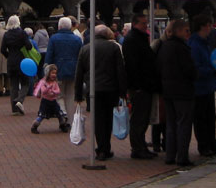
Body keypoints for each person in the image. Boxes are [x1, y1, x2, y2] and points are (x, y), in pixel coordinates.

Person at [74, 24, 128, 162]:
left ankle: (101, 148)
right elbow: (120, 70)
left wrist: (78, 94)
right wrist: (123, 91)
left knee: (98, 119)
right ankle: (105, 147)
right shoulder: (114, 48)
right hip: (111, 89)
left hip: (93, 90)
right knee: (108, 118)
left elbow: (79, 73)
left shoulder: (85, 49)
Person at [156, 18, 196, 169]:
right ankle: (182, 157)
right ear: (179, 31)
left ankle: (170, 155)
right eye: (186, 30)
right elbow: (189, 69)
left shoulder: (164, 46)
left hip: (168, 90)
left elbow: (158, 68)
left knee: (171, 124)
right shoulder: (182, 48)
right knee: (184, 124)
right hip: (183, 91)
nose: (188, 34)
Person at [121, 13, 159, 159]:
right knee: (139, 117)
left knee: (143, 117)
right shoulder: (132, 40)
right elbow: (132, 65)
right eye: (143, 23)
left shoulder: (137, 38)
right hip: (140, 85)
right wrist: (137, 85)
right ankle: (137, 147)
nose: (146, 26)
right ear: (136, 23)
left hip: (144, 84)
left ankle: (141, 145)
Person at [188, 14, 216, 158]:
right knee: (201, 118)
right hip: (199, 87)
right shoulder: (195, 44)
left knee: (210, 118)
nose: (210, 28)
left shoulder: (205, 42)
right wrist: (212, 71)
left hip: (208, 85)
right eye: (209, 25)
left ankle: (212, 145)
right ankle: (204, 146)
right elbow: (196, 68)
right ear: (203, 26)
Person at [44, 17, 82, 115]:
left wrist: (47, 70)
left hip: (58, 70)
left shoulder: (54, 38)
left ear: (59, 26)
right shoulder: (77, 39)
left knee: (59, 95)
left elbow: (49, 55)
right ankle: (70, 119)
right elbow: (80, 56)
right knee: (70, 95)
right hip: (73, 70)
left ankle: (62, 113)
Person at [1, 16, 30, 115]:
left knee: (13, 85)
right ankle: (19, 100)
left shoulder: (6, 34)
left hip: (11, 62)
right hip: (22, 61)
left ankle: (14, 109)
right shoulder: (22, 33)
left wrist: (9, 56)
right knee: (26, 82)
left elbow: (2, 50)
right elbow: (29, 46)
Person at [30, 64, 68, 132]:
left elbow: (58, 90)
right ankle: (34, 126)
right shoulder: (43, 82)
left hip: (53, 101)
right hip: (45, 102)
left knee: (59, 113)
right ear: (48, 73)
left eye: (55, 73)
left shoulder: (54, 83)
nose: (54, 75)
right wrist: (48, 88)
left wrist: (54, 91)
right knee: (42, 115)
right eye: (52, 73)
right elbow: (43, 91)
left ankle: (62, 125)